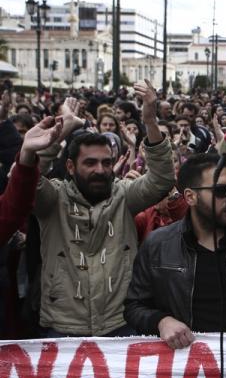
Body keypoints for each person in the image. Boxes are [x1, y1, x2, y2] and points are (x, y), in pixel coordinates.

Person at [34, 81, 175, 337]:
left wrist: (150, 122)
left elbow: (162, 179)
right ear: (70, 167)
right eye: (90, 163)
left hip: (119, 324)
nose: (100, 170)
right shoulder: (53, 198)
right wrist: (61, 131)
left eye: (106, 162)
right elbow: (27, 179)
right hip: (62, 327)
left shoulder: (124, 195)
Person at [124, 153, 226, 348]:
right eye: (221, 191)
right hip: (183, 368)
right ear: (190, 196)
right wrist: (162, 322)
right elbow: (134, 306)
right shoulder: (158, 245)